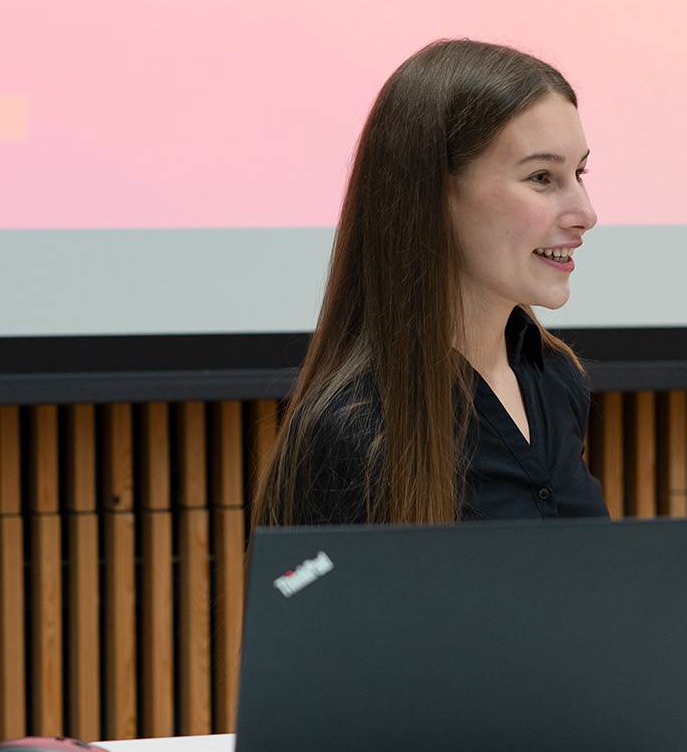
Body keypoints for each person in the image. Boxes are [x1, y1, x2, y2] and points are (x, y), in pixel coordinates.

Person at [253, 38, 608, 527]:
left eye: (580, 172)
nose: (586, 214)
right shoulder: (353, 430)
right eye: (542, 178)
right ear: (434, 193)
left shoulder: (556, 379)